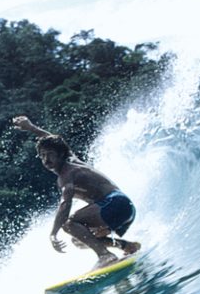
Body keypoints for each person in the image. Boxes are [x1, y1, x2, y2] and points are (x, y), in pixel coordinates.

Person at [12, 115, 140, 269]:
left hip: (115, 204)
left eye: (50, 155)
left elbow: (65, 204)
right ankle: (126, 246)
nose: (46, 159)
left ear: (60, 154)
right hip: (125, 208)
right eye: (43, 156)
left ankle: (105, 255)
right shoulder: (72, 159)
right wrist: (31, 127)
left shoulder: (67, 174)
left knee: (69, 223)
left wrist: (53, 233)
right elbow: (51, 139)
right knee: (79, 240)